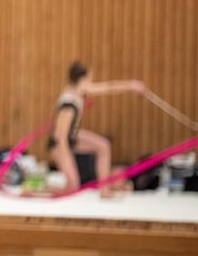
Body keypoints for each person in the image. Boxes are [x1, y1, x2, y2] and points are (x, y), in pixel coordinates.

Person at [47, 61, 145, 197]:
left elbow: (108, 87)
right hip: (59, 144)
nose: (91, 83)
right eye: (90, 79)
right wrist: (67, 157)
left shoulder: (77, 90)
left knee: (103, 145)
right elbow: (60, 136)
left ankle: (105, 190)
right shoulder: (69, 103)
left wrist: (131, 85)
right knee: (72, 187)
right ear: (83, 79)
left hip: (71, 137)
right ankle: (36, 189)